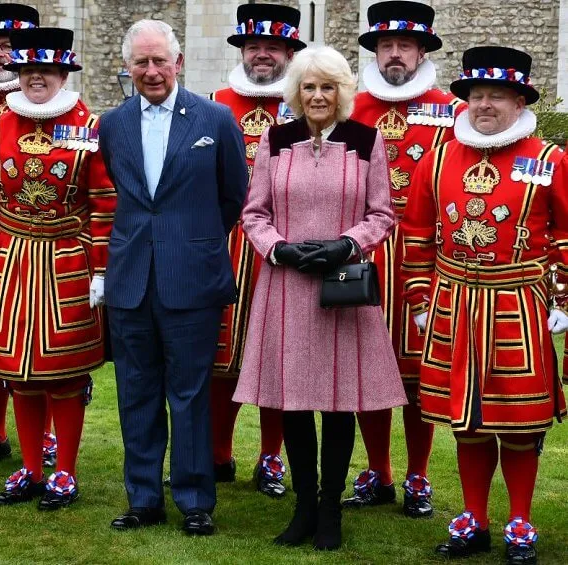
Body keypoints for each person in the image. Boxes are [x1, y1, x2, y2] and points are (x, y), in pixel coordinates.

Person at [233, 45, 407, 550]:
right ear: (296, 92)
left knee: (336, 405)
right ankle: (303, 508)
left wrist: (346, 244)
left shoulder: (366, 141)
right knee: (292, 404)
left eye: (327, 87)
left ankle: (330, 511)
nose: (317, 96)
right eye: (308, 87)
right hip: (286, 285)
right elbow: (254, 213)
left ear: (342, 93)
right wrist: (278, 249)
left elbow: (382, 213)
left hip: (341, 287)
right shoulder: (275, 138)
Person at [401, 46, 568, 565]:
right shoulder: (440, 155)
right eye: (477, 95)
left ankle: (520, 521)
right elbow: (415, 231)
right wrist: (421, 296)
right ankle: (473, 518)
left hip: (519, 303)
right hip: (454, 300)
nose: (485, 104)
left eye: (498, 95)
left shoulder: (550, 160)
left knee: (518, 422)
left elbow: (566, 232)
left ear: (520, 102)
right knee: (468, 420)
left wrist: (562, 295)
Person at [100, 20, 247, 535]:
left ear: (178, 62)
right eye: (141, 62)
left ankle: (194, 500)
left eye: (160, 60)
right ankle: (143, 498)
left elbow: (234, 195)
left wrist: (194, 243)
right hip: (131, 279)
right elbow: (123, 190)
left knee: (189, 394)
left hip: (192, 280)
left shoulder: (216, 118)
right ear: (129, 68)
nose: (152, 70)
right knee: (135, 392)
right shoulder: (112, 124)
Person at [0, 26, 115, 509]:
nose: (37, 79)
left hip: (66, 260)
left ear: (63, 73)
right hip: (9, 259)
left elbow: (102, 203)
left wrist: (101, 270)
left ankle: (66, 471)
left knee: (64, 370)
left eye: (47, 71)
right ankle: (32, 467)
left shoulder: (88, 126)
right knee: (18, 370)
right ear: (19, 74)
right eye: (29, 71)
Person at [343, 0, 465, 517]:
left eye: (405, 46)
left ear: (421, 51)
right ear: (375, 50)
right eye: (386, 45)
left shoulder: (453, 110)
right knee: (363, 366)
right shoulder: (351, 107)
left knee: (417, 374)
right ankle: (379, 471)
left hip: (422, 258)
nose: (395, 55)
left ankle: (418, 475)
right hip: (360, 251)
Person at [208, 2, 305, 498]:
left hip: (282, 248)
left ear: (289, 53)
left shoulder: (307, 107)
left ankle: (271, 457)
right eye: (253, 46)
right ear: (242, 51)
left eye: (272, 47)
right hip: (225, 243)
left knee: (278, 357)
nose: (262, 55)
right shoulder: (214, 101)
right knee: (220, 357)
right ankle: (218, 454)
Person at [0, 2, 57, 469]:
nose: (2, 55)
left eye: (10, 47)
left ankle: (44, 435)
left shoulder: (56, 106)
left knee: (36, 338)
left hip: (29, 238)